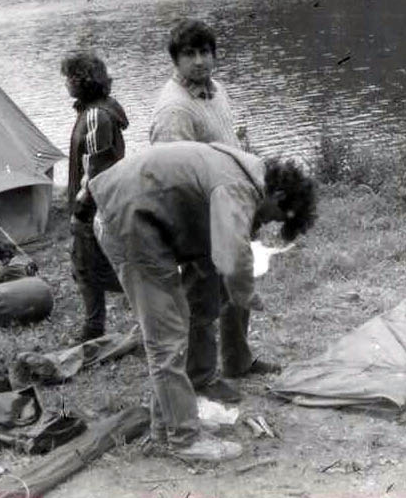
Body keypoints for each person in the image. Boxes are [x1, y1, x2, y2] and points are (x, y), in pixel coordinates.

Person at [87, 140, 316, 462]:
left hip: (142, 218)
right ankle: (182, 440)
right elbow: (232, 257)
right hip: (128, 222)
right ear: (277, 196)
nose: (266, 224)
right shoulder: (238, 186)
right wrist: (246, 294)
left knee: (181, 322)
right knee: (166, 338)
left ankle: (167, 426)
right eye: (275, 217)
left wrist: (219, 294)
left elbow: (213, 247)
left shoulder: (247, 171)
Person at [149, 18, 270, 404]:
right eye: (190, 54)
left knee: (237, 282)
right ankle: (201, 377)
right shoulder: (174, 109)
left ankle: (238, 359)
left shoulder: (216, 90)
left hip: (232, 206)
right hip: (201, 216)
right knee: (203, 298)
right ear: (176, 60)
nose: (200, 61)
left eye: (205, 52)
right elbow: (172, 176)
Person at [62, 50, 128, 342]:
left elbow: (96, 167)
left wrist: (80, 207)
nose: (66, 84)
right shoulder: (98, 110)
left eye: (69, 78)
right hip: (101, 203)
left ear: (81, 80)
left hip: (95, 206)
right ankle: (94, 325)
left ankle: (94, 328)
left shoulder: (95, 116)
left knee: (89, 266)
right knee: (86, 264)